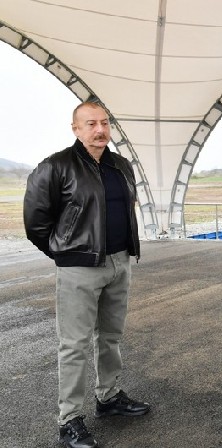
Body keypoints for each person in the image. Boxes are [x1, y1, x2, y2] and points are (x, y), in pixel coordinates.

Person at [24, 101, 150, 448]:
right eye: (91, 123)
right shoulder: (55, 167)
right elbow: (35, 222)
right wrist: (65, 253)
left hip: (119, 262)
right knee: (74, 345)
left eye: (105, 123)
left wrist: (123, 254)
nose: (100, 130)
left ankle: (108, 397)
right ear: (76, 129)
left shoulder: (121, 165)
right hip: (79, 267)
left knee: (111, 336)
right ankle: (69, 421)